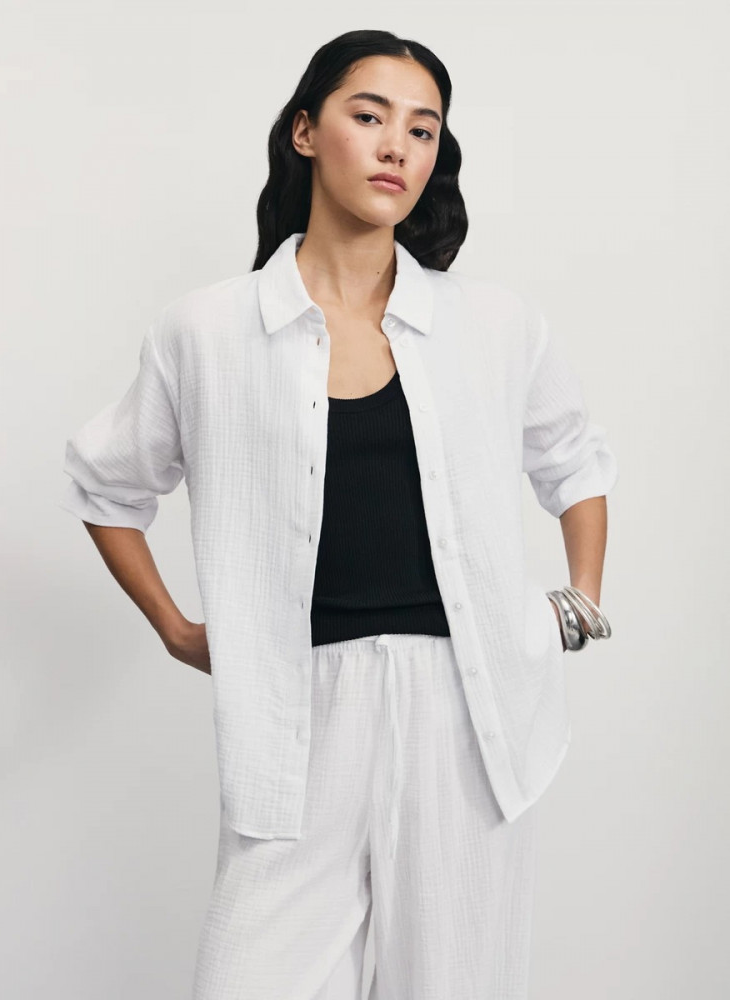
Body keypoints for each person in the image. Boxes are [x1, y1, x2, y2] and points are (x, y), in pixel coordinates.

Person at [59, 28, 618, 1000]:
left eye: (423, 129)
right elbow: (106, 484)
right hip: (294, 716)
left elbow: (575, 459)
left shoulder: (492, 324)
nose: (398, 145)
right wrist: (178, 629)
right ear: (306, 131)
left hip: (467, 718)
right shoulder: (208, 330)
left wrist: (575, 605)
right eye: (370, 116)